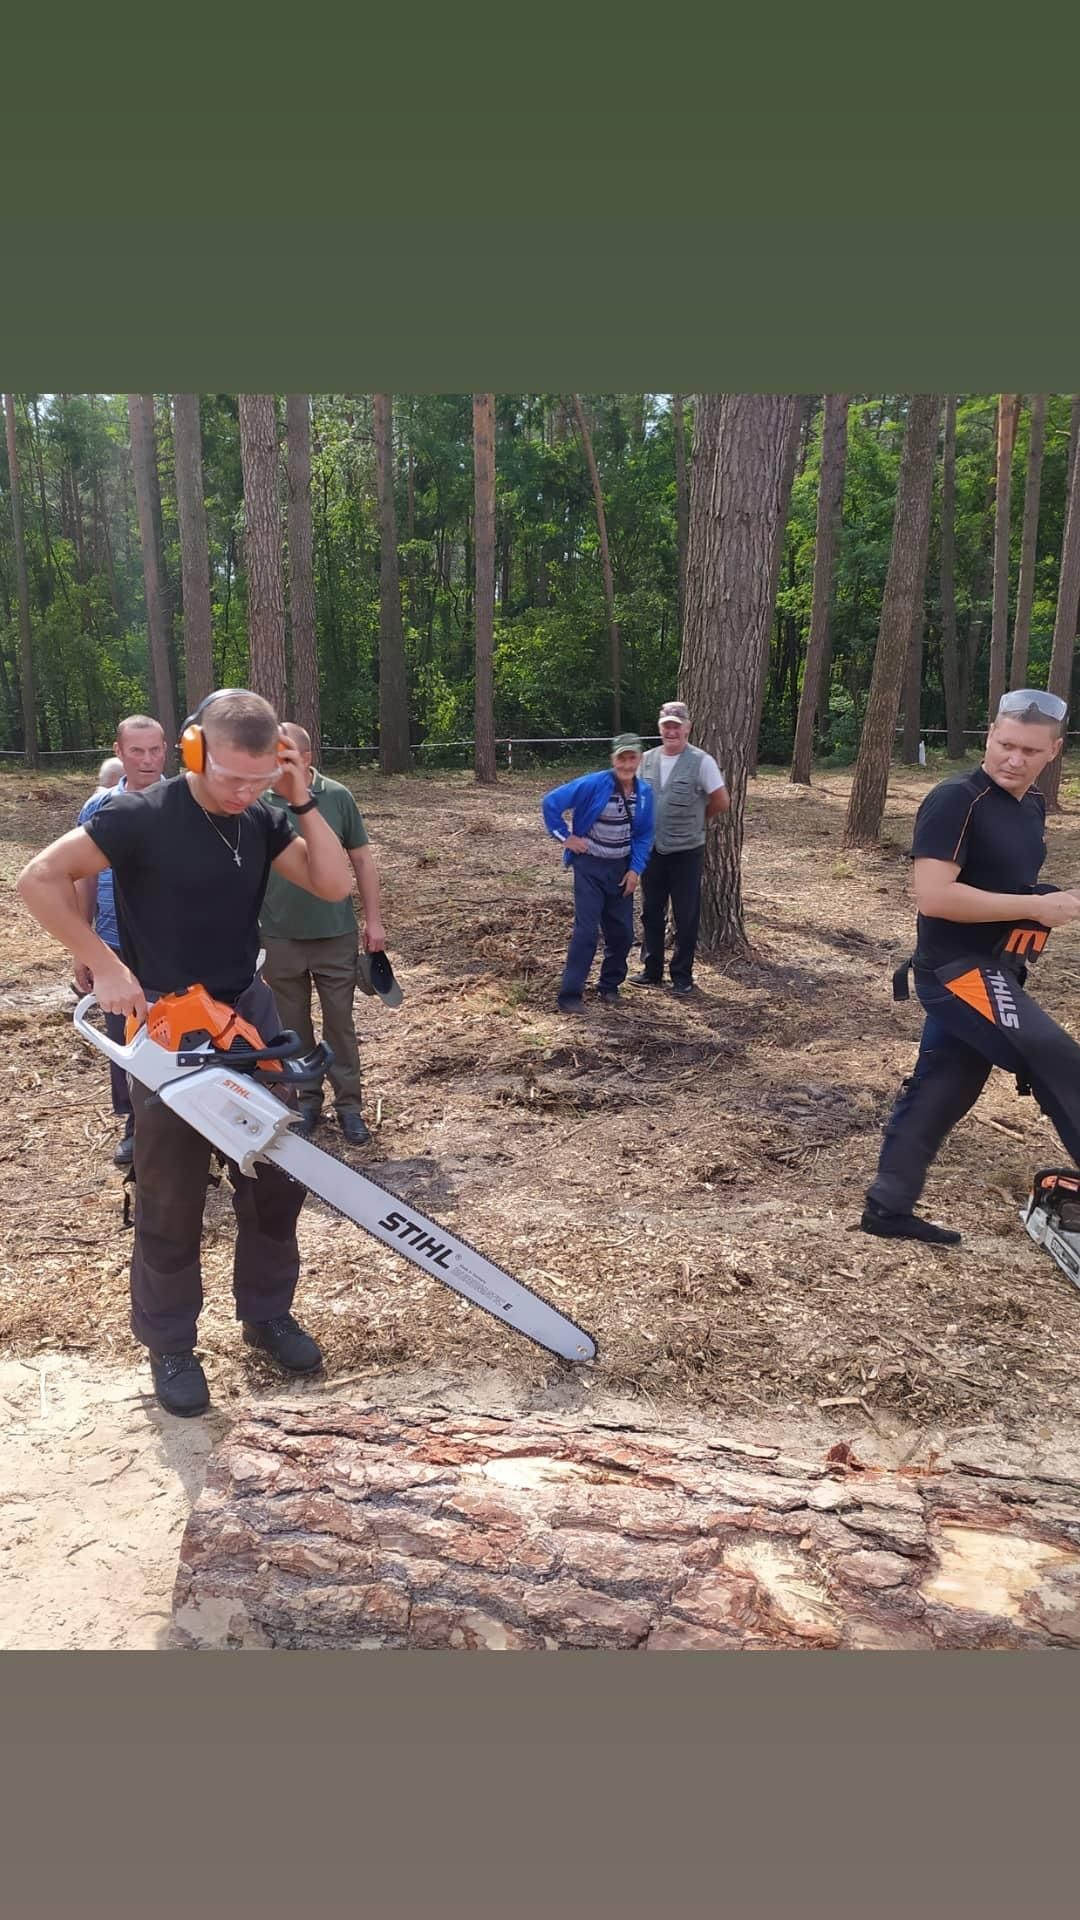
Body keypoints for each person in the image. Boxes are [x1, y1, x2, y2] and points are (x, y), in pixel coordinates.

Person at [17, 688, 355, 1418]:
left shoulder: (265, 818)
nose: (242, 792)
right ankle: (170, 1344)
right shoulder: (138, 815)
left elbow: (334, 884)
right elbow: (37, 877)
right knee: (170, 1192)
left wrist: (297, 800)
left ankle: (266, 1314)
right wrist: (101, 960)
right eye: (231, 776)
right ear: (196, 750)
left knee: (275, 1174)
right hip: (167, 1025)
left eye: (258, 778)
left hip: (246, 1008)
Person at [861, 689, 1080, 1247]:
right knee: (1056, 1058)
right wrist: (1034, 906)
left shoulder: (1030, 807)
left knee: (945, 1085)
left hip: (995, 968)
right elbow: (935, 897)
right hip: (954, 971)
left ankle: (887, 1209)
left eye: (1030, 751)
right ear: (989, 735)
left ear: (1052, 752)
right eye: (1005, 744)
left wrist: (1038, 897)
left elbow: (1001, 879)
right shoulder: (956, 799)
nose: (1014, 759)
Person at [259, 722, 387, 1147]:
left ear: (308, 758)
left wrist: (374, 921)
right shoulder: (258, 802)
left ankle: (349, 1107)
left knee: (340, 1026)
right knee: (291, 1029)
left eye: (287, 755)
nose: (278, 763)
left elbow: (363, 861)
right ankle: (305, 1102)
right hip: (278, 937)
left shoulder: (337, 797)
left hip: (334, 934)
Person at [75, 717, 168, 1167]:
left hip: (170, 942)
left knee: (177, 1029)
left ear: (167, 750)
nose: (147, 760)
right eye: (137, 751)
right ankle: (134, 1121)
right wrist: (83, 941)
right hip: (112, 942)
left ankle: (184, 1120)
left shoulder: (183, 802)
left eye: (155, 750)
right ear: (119, 751)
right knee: (123, 1034)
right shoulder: (98, 807)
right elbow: (83, 876)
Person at [542, 733, 655, 1013]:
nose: (627, 764)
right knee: (586, 932)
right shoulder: (593, 784)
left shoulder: (645, 794)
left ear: (639, 760)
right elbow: (551, 803)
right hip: (590, 867)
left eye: (632, 758)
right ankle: (570, 995)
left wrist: (635, 870)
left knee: (623, 933)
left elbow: (643, 835)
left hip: (620, 869)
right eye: (622, 758)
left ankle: (609, 986)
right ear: (613, 759)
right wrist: (565, 837)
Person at [634, 700, 729, 994]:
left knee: (686, 913)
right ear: (660, 728)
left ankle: (682, 976)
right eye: (667, 727)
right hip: (652, 849)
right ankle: (651, 970)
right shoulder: (646, 760)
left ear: (687, 728)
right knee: (651, 910)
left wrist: (696, 821)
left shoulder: (702, 761)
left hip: (686, 850)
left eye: (677, 726)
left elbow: (721, 800)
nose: (671, 731)